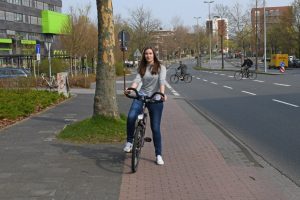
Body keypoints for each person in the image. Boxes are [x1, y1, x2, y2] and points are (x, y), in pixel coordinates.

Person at [123, 46, 167, 165]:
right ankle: (129, 142)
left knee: (155, 128)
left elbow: (162, 82)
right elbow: (137, 80)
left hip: (155, 99)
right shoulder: (142, 67)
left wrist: (162, 94)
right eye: (146, 54)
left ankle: (158, 155)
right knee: (131, 116)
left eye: (150, 53)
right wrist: (131, 89)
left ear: (154, 55)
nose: (148, 55)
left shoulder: (161, 67)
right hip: (141, 96)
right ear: (144, 55)